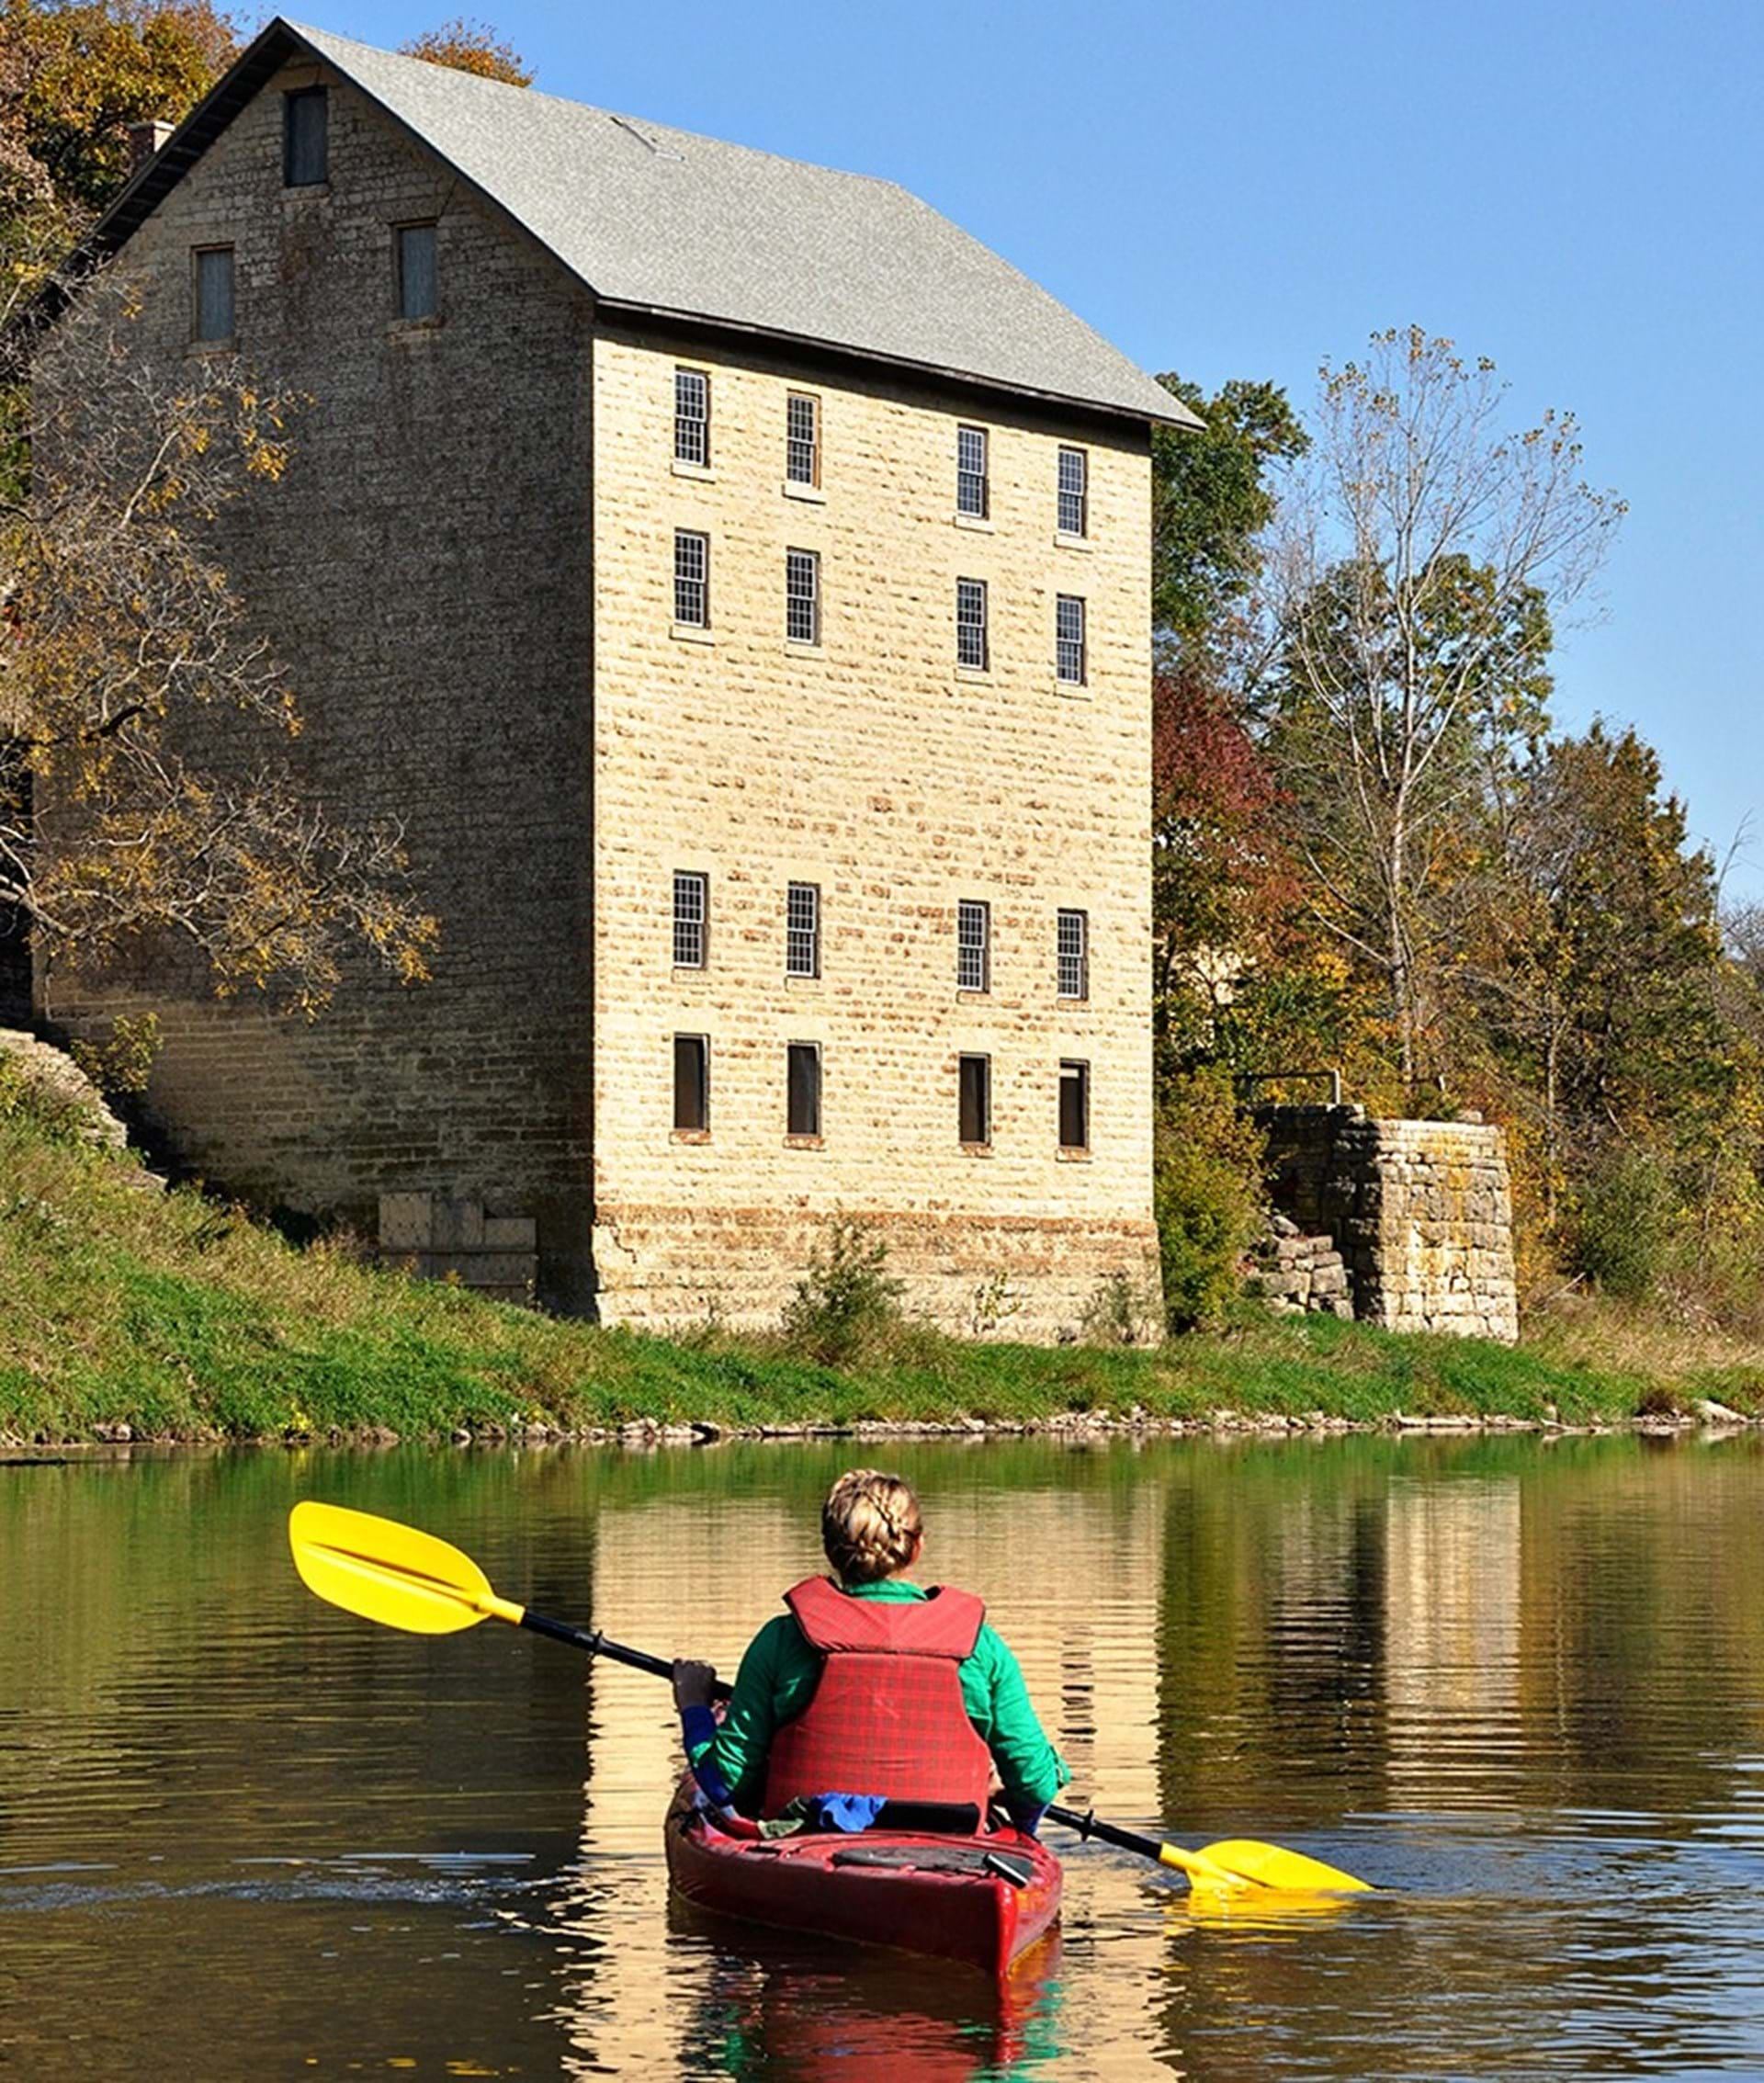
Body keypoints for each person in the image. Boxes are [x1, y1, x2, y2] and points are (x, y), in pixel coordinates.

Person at [672, 1467, 1067, 1833]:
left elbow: (725, 1783)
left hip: (804, 1842)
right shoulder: (982, 1648)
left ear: (830, 1552)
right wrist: (996, 1793)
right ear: (917, 1548)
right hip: (954, 1842)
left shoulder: (780, 1640)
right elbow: (1036, 1786)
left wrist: (693, 1706)